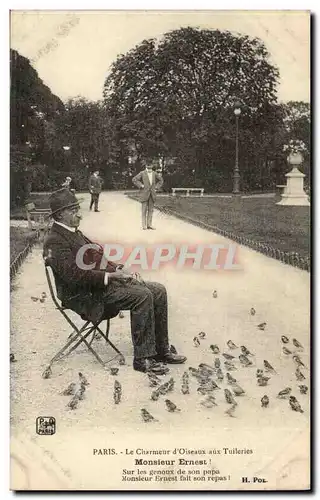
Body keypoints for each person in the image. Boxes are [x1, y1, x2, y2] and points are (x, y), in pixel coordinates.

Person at [43, 188, 187, 375]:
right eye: (74, 210)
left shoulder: (73, 232)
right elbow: (73, 277)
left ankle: (161, 350)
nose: (80, 213)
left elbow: (97, 258)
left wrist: (117, 269)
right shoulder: (55, 240)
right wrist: (110, 277)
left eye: (78, 208)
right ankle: (142, 359)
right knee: (142, 295)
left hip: (98, 285)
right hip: (81, 295)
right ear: (61, 214)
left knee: (158, 290)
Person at [132, 159, 163, 230]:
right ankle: (144, 225)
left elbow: (161, 180)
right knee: (144, 210)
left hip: (152, 194)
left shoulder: (155, 173)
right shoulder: (142, 173)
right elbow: (134, 179)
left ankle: (149, 225)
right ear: (146, 166)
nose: (149, 166)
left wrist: (156, 187)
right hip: (144, 194)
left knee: (151, 210)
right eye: (148, 165)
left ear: (152, 166)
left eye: (150, 165)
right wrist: (141, 185)